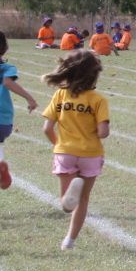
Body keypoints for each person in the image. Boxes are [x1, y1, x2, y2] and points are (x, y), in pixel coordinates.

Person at [41, 50, 110, 250]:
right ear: (94, 75)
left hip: (65, 152)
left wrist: (58, 146)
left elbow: (47, 129)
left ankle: (67, 200)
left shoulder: (60, 95)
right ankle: (69, 240)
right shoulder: (98, 100)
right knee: (84, 200)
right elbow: (103, 132)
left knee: (66, 203)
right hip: (91, 154)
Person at [0, 31, 38, 220]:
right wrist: (29, 98)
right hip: (4, 121)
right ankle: (1, 164)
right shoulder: (7, 68)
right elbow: (7, 83)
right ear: (3, 48)